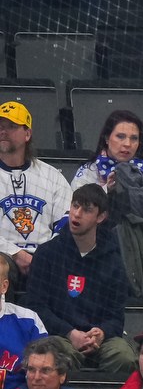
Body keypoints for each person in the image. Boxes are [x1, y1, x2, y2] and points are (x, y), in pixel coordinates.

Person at [20, 186, 132, 376]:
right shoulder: (47, 253)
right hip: (60, 335)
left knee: (124, 357)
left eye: (86, 210)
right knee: (60, 357)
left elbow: (116, 317)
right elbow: (36, 307)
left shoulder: (113, 261)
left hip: (99, 340)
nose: (77, 214)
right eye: (75, 206)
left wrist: (101, 333)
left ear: (101, 217)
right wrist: (70, 333)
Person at [0, 103, 66, 288]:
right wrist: (15, 253)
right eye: (0, 126)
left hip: (45, 256)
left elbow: (66, 222)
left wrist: (44, 255)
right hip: (4, 255)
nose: (3, 131)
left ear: (27, 134)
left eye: (11, 126)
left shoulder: (51, 176)